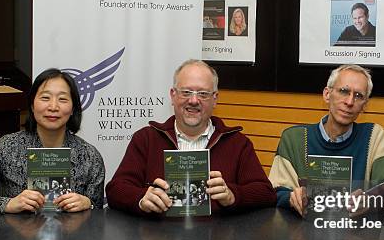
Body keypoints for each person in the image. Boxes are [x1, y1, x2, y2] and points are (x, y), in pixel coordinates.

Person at [105, 59, 275, 214]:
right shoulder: (146, 139)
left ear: (215, 99)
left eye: (203, 94)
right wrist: (141, 198)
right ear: (173, 95)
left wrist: (232, 195)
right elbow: (115, 190)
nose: (194, 100)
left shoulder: (237, 144)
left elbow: (266, 193)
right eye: (186, 92)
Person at [0, 69, 105, 213]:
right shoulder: (8, 146)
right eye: (45, 98)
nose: (53, 106)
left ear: (73, 109)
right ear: (33, 106)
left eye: (62, 99)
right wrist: (7, 204)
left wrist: (88, 203)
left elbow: (98, 210)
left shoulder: (89, 156)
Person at [268, 64, 384, 216]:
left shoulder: (372, 135)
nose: (350, 102)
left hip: (356, 235)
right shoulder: (294, 139)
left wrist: (370, 200)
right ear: (327, 94)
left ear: (364, 105)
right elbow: (274, 192)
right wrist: (291, 198)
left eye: (358, 96)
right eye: (344, 91)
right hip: (303, 232)